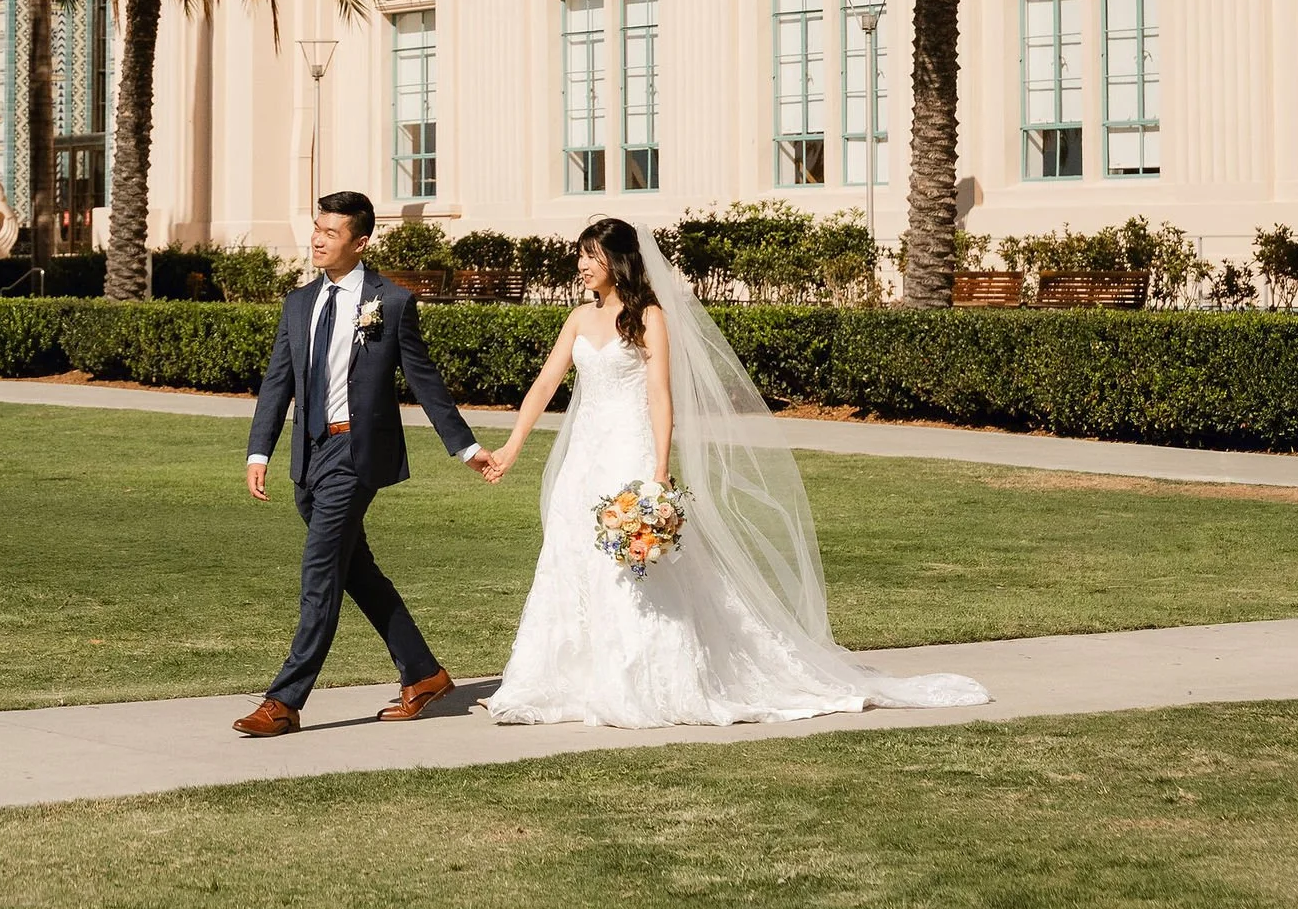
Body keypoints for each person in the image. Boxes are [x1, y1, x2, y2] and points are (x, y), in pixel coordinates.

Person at [483, 215, 990, 727]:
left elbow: (660, 394)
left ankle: (643, 681)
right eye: (582, 254)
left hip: (628, 452)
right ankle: (567, 678)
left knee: (636, 567)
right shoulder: (577, 320)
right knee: (570, 556)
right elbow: (545, 386)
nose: (583, 265)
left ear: (618, 261)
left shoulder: (649, 317)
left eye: (593, 255)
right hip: (584, 458)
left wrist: (658, 470)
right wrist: (512, 447)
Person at [234, 190, 498, 739]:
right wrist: (260, 450)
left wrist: (466, 448)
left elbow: (425, 383)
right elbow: (277, 382)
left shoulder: (392, 302)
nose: (317, 240)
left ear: (361, 242)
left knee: (320, 571)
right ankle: (424, 674)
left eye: (331, 233)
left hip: (356, 455)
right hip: (309, 456)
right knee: (357, 572)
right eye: (316, 228)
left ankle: (283, 701)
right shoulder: (299, 302)